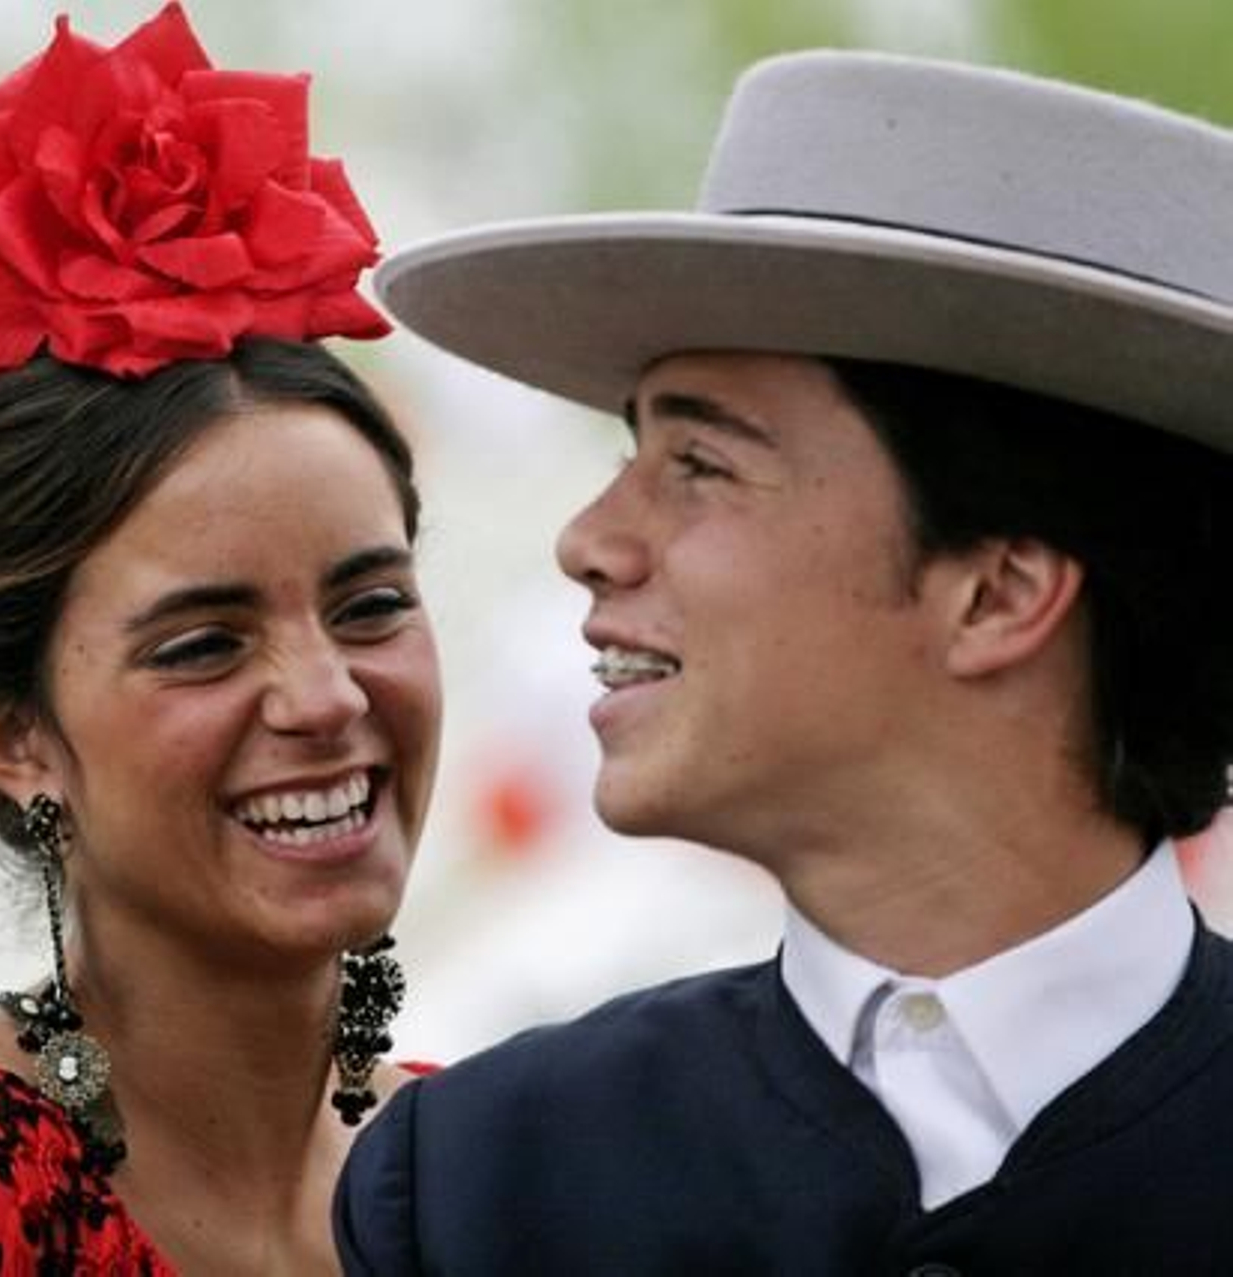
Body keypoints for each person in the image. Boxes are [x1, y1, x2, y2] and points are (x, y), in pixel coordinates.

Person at [335, 49, 1233, 1273]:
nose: (589, 540)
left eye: (699, 464)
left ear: (997, 590)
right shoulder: (472, 1180)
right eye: (630, 454)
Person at [0, 5, 441, 1273]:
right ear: (5, 733)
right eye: (203, 643)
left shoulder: (480, 1165)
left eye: (371, 604)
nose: (327, 693)